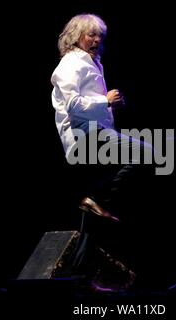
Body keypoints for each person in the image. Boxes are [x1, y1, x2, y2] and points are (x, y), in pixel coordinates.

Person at [51, 13, 153, 223]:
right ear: (76, 36)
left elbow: (88, 103)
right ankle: (95, 198)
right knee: (147, 153)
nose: (97, 40)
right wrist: (105, 101)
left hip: (95, 133)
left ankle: (93, 208)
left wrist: (110, 108)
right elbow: (73, 105)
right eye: (92, 35)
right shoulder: (71, 63)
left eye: (101, 36)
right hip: (85, 137)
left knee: (94, 216)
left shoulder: (93, 63)